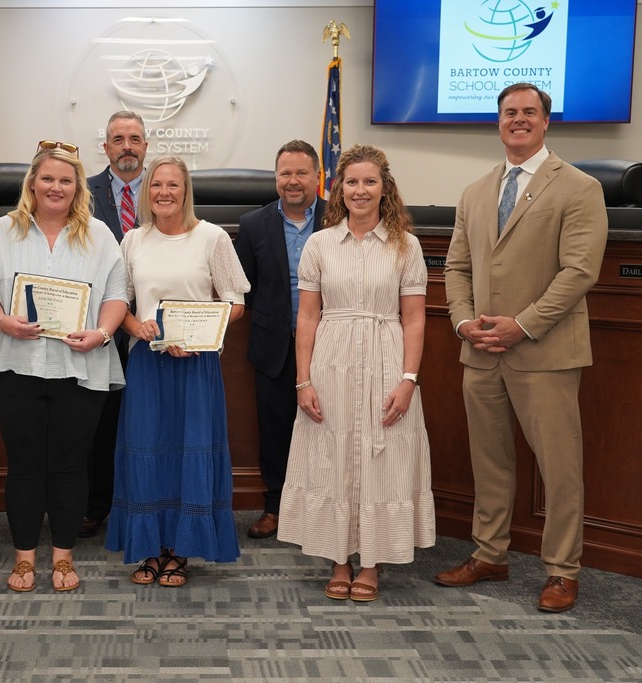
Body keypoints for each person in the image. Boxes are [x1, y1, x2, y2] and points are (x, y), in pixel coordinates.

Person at [436, 83, 608, 613]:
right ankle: (490, 554)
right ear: (498, 121)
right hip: (481, 351)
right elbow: (457, 267)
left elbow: (579, 271)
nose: (518, 120)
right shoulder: (476, 190)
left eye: (528, 112)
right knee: (490, 462)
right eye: (509, 112)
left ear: (545, 121)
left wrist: (523, 325)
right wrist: (464, 324)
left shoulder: (578, 187)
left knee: (559, 468)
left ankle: (562, 570)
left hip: (545, 351)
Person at [277, 144, 435, 602]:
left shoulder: (407, 245)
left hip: (388, 359)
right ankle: (339, 558)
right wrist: (303, 380)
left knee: (380, 457)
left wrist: (409, 379)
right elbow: (307, 317)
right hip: (332, 361)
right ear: (338, 189)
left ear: (384, 188)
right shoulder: (320, 244)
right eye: (351, 182)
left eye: (369, 182)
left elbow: (415, 318)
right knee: (335, 454)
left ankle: (372, 561)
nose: (360, 190)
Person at [0, 141, 128, 593]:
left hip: (81, 366)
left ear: (77, 186)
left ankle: (62, 557)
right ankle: (23, 559)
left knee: (68, 465)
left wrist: (100, 333)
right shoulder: (3, 231)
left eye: (65, 179)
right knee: (23, 465)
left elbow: (118, 295)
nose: (55, 187)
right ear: (32, 183)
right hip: (14, 363)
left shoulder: (100, 235)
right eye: (47, 179)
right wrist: (3, 321)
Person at [105, 155, 251, 587]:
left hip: (195, 363)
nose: (164, 193)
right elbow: (120, 304)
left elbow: (236, 302)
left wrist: (201, 331)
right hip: (148, 363)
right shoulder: (132, 240)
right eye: (156, 185)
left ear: (186, 191)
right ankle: (149, 548)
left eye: (173, 185)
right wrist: (136, 325)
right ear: (145, 192)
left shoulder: (213, 238)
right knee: (147, 451)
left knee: (190, 450)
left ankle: (180, 551)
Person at [234, 140, 326, 539]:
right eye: (285, 173)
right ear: (275, 178)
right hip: (274, 345)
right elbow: (242, 287)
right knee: (274, 429)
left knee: (328, 429)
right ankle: (275, 508)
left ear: (318, 177)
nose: (293, 181)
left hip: (330, 344)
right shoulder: (254, 224)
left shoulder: (338, 217)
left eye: (301, 173)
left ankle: (324, 510)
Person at [80, 110, 149, 539]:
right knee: (100, 420)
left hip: (150, 324)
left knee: (144, 417)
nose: (127, 146)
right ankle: (95, 505)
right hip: (99, 321)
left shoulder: (165, 191)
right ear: (105, 147)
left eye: (135, 139)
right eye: (118, 139)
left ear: (146, 145)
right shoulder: (81, 193)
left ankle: (141, 500)